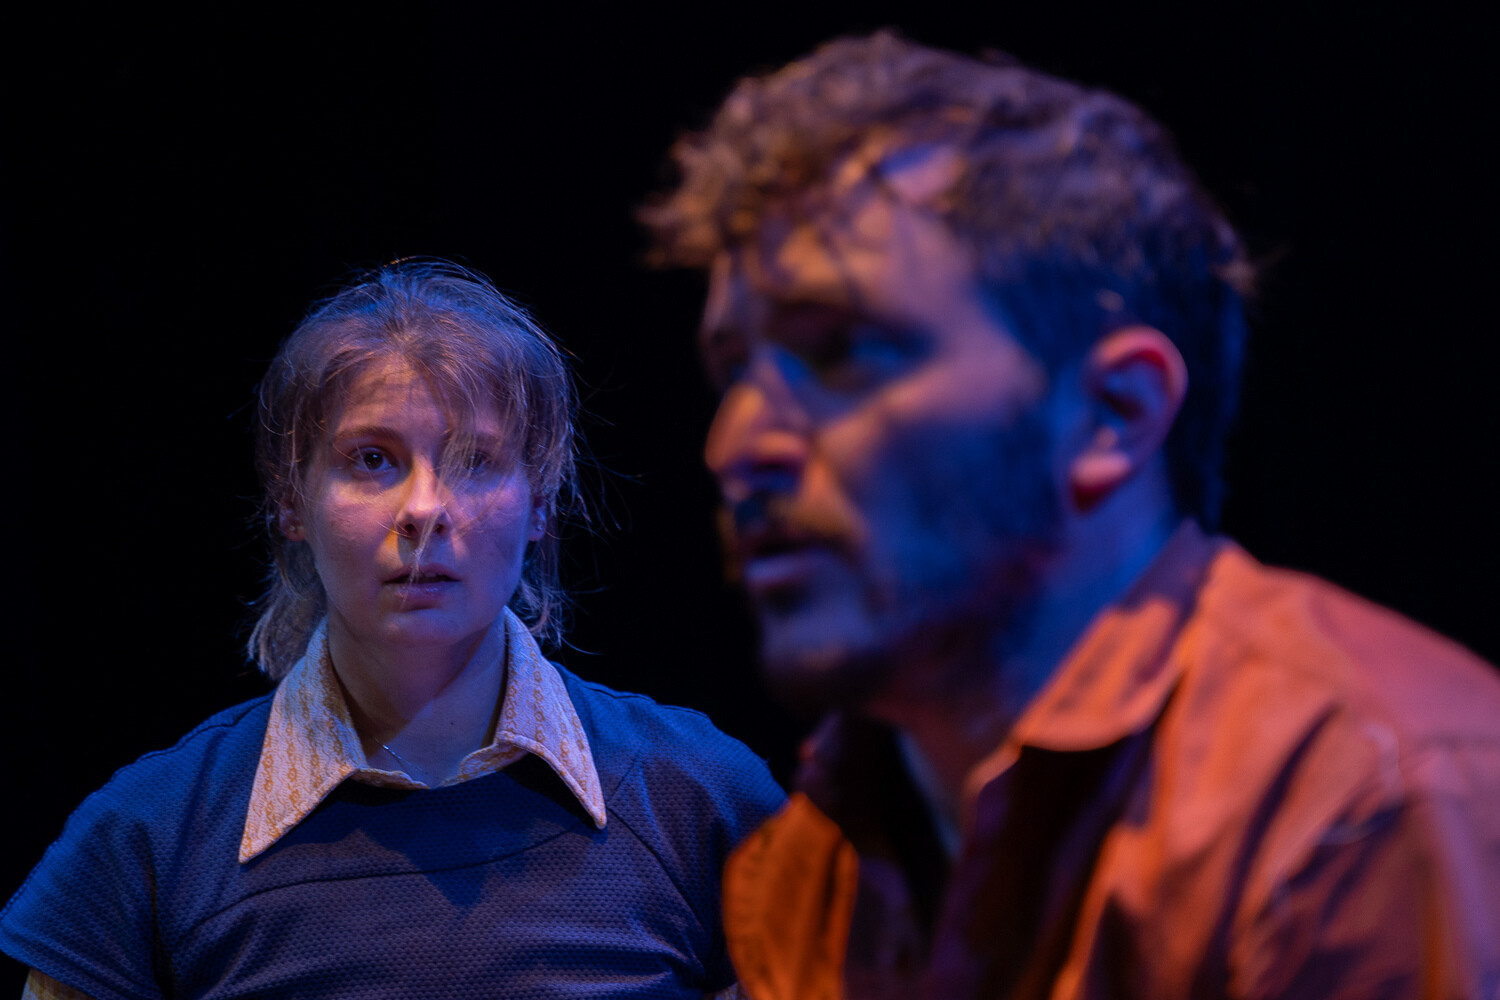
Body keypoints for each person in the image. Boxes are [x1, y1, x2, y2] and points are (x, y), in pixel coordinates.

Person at [643, 31, 1500, 1000]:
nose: (737, 444)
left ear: (1112, 414)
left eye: (843, 350)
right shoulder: (808, 868)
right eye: (734, 372)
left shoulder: (1361, 801)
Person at [0, 260, 783, 999]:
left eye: (475, 459)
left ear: (541, 500)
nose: (424, 509)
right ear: (290, 499)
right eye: (372, 459)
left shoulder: (701, 801)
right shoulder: (147, 840)